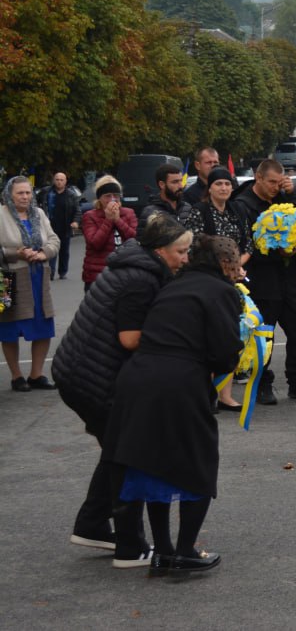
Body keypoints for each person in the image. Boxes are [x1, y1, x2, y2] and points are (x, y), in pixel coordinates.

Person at [54, 215, 191, 565]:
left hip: (81, 370)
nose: (185, 258)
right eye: (181, 251)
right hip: (91, 378)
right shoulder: (140, 280)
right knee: (129, 455)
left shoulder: (136, 264)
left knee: (117, 450)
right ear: (160, 250)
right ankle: (130, 546)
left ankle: (92, 524)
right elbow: (130, 338)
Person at [103, 235, 243, 574]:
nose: (238, 270)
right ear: (224, 263)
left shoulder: (173, 285)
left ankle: (163, 552)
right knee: (198, 460)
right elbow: (225, 351)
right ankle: (185, 551)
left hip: (138, 377)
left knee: (153, 461)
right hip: (178, 380)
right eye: (235, 263)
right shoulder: (222, 292)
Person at [229, 159, 296, 404]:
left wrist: (295, 195)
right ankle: (262, 382)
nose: (275, 187)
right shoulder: (242, 204)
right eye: (271, 182)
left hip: (290, 276)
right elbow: (244, 243)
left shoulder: (285, 196)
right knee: (264, 334)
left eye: (279, 183)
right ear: (258, 178)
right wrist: (275, 251)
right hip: (262, 278)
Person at [181, 166, 250, 412]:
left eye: (227, 184)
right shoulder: (199, 212)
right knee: (207, 339)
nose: (223, 188)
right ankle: (205, 394)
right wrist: (224, 269)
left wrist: (236, 267)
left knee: (229, 337)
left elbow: (247, 243)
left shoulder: (237, 210)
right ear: (209, 187)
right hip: (208, 282)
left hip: (233, 283)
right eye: (218, 184)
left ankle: (226, 395)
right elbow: (190, 247)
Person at [2, 176, 61, 391]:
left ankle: (36, 375)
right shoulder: (1, 215)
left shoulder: (39, 214)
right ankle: (17, 376)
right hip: (8, 278)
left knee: (43, 326)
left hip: (38, 276)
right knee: (9, 328)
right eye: (20, 193)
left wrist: (43, 253)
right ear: (10, 194)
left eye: (28, 192)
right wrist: (14, 253)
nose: (25, 197)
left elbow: (55, 239)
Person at [82, 175, 138, 292]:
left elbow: (135, 241)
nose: (113, 199)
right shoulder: (90, 216)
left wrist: (118, 220)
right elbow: (95, 244)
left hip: (125, 274)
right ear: (100, 198)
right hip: (98, 276)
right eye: (108, 196)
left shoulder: (128, 213)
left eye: (116, 195)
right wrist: (108, 220)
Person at [37, 171, 80, 280]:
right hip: (49, 227)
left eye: (62, 180)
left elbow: (77, 210)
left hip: (65, 227)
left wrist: (75, 221)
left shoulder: (71, 195)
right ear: (54, 180)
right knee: (51, 249)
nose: (59, 182)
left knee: (64, 251)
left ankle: (62, 272)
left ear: (65, 182)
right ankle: (50, 272)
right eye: (57, 179)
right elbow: (34, 202)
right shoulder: (46, 192)